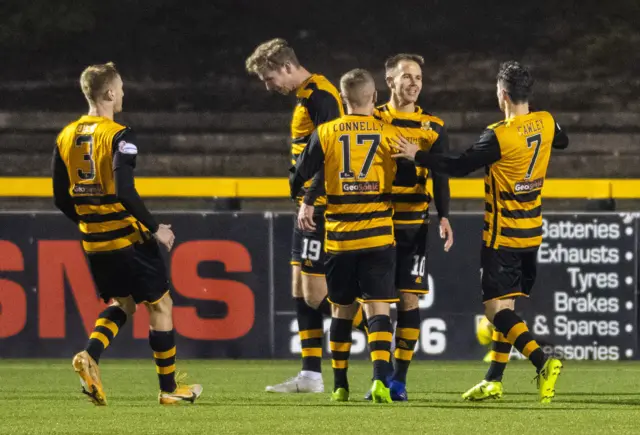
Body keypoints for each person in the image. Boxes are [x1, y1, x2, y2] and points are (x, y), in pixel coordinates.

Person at [392, 61, 568, 403]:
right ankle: (494, 379)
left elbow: (457, 166)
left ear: (501, 94)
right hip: (532, 231)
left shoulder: (498, 136)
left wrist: (418, 155)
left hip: (503, 235)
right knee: (508, 308)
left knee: (494, 311)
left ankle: (542, 360)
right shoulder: (545, 121)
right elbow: (562, 140)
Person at [52, 62, 202, 406]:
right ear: (108, 93)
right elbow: (125, 191)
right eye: (120, 88)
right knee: (161, 304)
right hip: (127, 238)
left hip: (93, 239)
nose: (123, 94)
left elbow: (61, 197)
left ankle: (89, 355)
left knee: (124, 304)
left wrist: (91, 221)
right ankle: (168, 389)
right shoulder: (119, 134)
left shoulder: (65, 135)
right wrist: (156, 229)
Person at [290, 69, 400, 403]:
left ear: (341, 98)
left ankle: (340, 384)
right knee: (378, 310)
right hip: (379, 234)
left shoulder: (325, 132)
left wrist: (306, 198)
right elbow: (410, 172)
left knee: (341, 310)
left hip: (340, 237)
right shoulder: (388, 132)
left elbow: (299, 177)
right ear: (375, 97)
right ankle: (381, 378)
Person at [246, 38, 348, 393]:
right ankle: (309, 375)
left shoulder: (322, 96)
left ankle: (384, 333)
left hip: (319, 207)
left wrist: (311, 199)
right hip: (306, 205)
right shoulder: (307, 95)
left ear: (287, 67)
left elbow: (331, 153)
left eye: (269, 76)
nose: (268, 85)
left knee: (318, 292)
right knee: (299, 286)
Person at [370, 53, 453, 401]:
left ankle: (399, 381)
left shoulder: (433, 126)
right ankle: (380, 376)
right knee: (374, 303)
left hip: (414, 227)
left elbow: (442, 174)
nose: (414, 83)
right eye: (407, 76)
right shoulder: (372, 120)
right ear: (390, 81)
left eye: (418, 77)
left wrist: (444, 215)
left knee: (408, 301)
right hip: (376, 224)